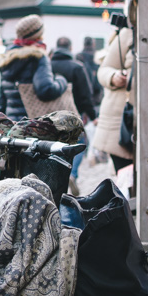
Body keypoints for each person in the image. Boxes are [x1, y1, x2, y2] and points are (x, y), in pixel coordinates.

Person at [0, 14, 68, 121]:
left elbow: (2, 97)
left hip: (13, 123)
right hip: (32, 123)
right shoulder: (38, 56)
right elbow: (46, 90)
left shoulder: (7, 57)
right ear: (38, 34)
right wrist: (61, 81)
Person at [50, 36, 99, 189]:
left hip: (51, 114)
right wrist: (92, 115)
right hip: (74, 113)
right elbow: (86, 95)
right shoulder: (77, 67)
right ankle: (72, 173)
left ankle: (56, 175)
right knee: (79, 143)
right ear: (70, 49)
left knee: (54, 144)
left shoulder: (47, 66)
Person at [95, 5, 136, 173]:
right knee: (125, 176)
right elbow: (104, 70)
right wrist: (114, 77)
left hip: (146, 120)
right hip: (120, 122)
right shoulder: (126, 35)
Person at [76, 36, 104, 111]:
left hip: (82, 91)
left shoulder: (79, 56)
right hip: (97, 91)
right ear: (93, 44)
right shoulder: (98, 56)